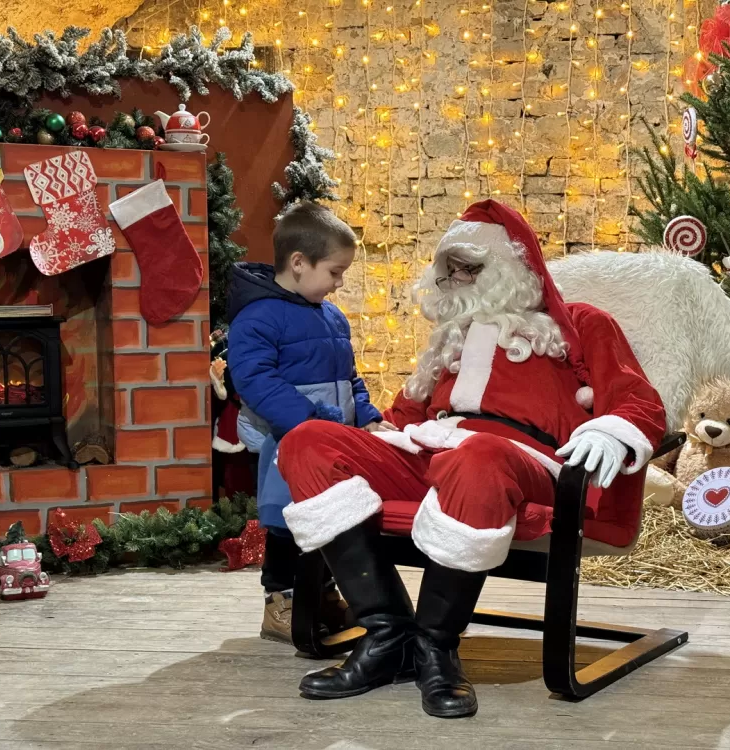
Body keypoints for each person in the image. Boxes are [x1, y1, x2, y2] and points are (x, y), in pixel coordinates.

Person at [276, 200, 666, 718]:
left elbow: (638, 399)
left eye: (471, 268)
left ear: (513, 267)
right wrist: (376, 433)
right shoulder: (449, 341)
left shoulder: (578, 324)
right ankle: (387, 635)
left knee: (479, 456)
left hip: (524, 463)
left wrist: (612, 430)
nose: (457, 279)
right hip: (431, 450)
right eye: (450, 270)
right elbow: (402, 416)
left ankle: (436, 645)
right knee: (308, 440)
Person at [227, 201, 393, 645]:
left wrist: (369, 417)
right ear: (299, 263)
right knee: (287, 522)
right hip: (291, 441)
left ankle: (320, 593)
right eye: (335, 272)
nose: (339, 284)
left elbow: (350, 377)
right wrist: (309, 423)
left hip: (335, 442)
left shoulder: (332, 317)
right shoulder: (257, 318)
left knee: (333, 520)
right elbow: (255, 379)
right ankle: (280, 602)